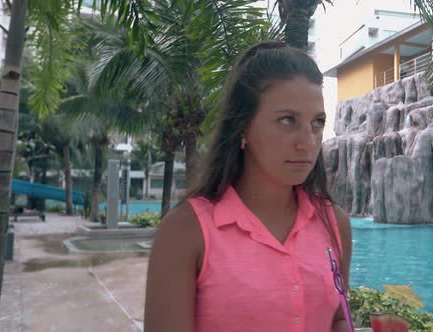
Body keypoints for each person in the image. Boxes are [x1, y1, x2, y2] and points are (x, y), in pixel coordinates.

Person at [144, 40, 353, 332]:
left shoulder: (334, 223)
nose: (307, 141)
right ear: (243, 127)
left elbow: (338, 318)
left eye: (317, 122)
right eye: (287, 120)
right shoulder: (186, 233)